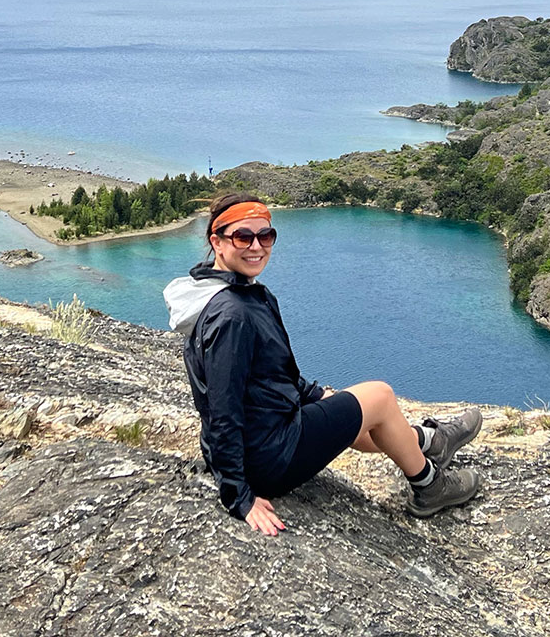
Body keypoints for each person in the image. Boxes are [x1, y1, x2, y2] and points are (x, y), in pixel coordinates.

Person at [163, 192, 482, 535]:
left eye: (266, 235)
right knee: (380, 396)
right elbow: (222, 408)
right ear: (218, 241)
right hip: (266, 458)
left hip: (266, 438)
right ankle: (430, 486)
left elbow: (276, 372)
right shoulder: (233, 315)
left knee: (353, 414)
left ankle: (431, 441)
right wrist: (238, 496)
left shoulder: (236, 293)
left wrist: (317, 396)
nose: (257, 246)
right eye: (243, 236)